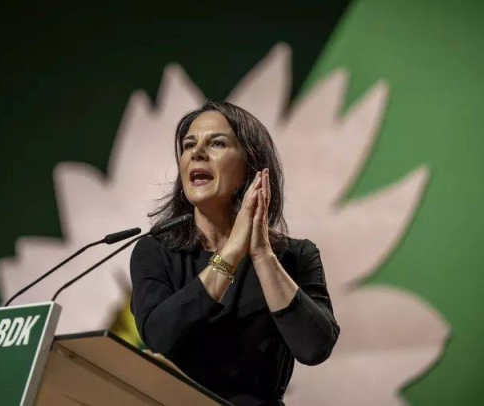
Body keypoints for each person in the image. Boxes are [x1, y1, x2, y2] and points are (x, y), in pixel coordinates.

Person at [130, 101, 339, 406]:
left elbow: (314, 347)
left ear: (251, 169)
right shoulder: (156, 250)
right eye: (189, 145)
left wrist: (262, 255)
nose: (197, 153)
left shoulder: (296, 256)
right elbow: (159, 337)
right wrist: (231, 253)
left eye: (216, 143)